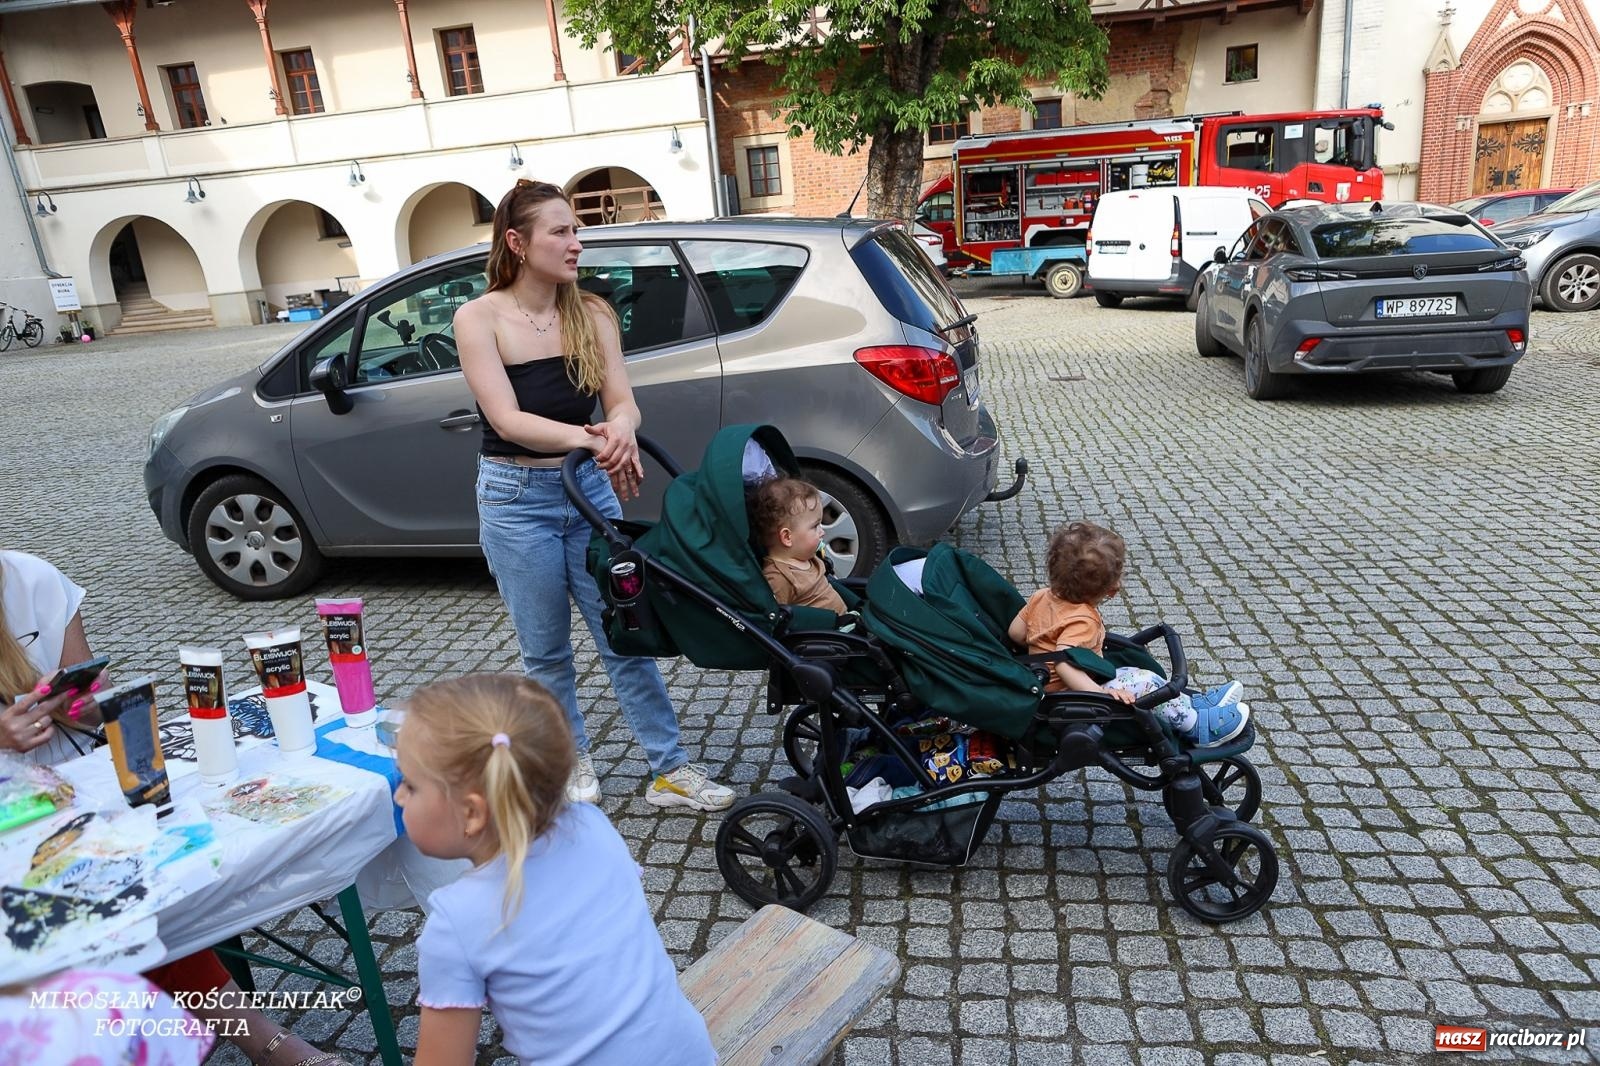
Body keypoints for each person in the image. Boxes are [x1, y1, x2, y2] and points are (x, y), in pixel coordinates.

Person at [0, 548, 347, 1066]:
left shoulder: (33, 578)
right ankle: (269, 1045)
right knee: (94, 911)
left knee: (146, 885)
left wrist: (81, 702)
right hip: (16, 812)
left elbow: (94, 696)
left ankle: (257, 1042)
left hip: (74, 787)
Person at [453, 178, 733, 811]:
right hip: (515, 497)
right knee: (546, 650)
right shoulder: (480, 317)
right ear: (518, 243)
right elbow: (507, 420)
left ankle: (670, 770)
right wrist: (597, 440)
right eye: (561, 231)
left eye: (576, 229)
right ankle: (569, 762)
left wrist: (621, 434)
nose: (576, 243)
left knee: (625, 632)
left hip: (588, 493)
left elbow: (623, 403)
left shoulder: (594, 312)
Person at [398, 673, 716, 1066]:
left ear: (472, 813)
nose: (397, 795)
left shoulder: (456, 920)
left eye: (409, 785)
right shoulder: (591, 823)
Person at [1008, 522, 1251, 747]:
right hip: (1067, 694)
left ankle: (1194, 706)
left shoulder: (1041, 596)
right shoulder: (1081, 619)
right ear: (1112, 590)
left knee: (1134, 674)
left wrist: (1039, 643)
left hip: (1046, 684)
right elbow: (1064, 665)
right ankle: (1196, 726)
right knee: (1146, 682)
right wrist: (1101, 695)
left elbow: (1016, 632)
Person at [752, 476, 847, 614]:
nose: (822, 532)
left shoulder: (805, 557)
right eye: (815, 526)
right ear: (787, 537)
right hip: (830, 633)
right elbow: (774, 618)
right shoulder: (779, 578)